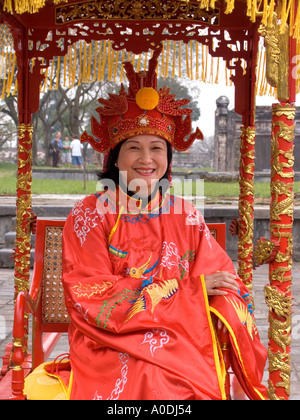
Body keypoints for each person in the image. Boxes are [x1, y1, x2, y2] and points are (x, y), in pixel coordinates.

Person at [24, 47, 268, 400]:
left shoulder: (186, 214)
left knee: (182, 377)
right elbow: (90, 294)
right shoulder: (89, 214)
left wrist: (223, 297)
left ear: (167, 158)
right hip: (108, 342)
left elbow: (222, 280)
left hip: (183, 337)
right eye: (133, 148)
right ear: (115, 157)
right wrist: (192, 292)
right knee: (152, 377)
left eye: (156, 148)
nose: (146, 159)